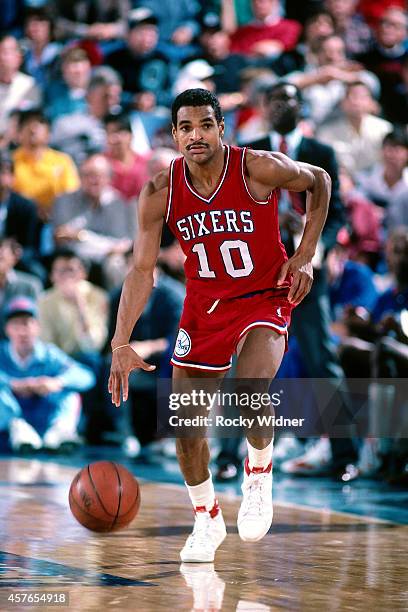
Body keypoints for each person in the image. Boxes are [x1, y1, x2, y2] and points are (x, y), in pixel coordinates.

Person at [108, 88, 331, 562]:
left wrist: (306, 255)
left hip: (263, 296)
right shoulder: (160, 190)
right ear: (173, 135)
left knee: (251, 387)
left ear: (221, 128)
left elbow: (321, 181)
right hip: (205, 306)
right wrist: (120, 341)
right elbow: (142, 269)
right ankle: (207, 520)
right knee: (186, 429)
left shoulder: (257, 167)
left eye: (205, 125)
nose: (195, 135)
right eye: (185, 127)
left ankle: (258, 473)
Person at [0, 296, 95, 453]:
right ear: (7, 329)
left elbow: (86, 376)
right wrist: (13, 384)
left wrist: (58, 381)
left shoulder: (49, 354)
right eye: (16, 325)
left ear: (37, 327)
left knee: (70, 394)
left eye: (27, 324)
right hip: (12, 418)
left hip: (44, 414)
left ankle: (60, 432)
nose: (22, 332)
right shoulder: (2, 353)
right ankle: (19, 430)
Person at [317, 81, 392, 174]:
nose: (356, 102)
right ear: (342, 102)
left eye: (362, 97)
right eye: (352, 96)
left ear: (372, 103)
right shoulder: (326, 133)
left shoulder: (385, 129)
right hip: (342, 183)